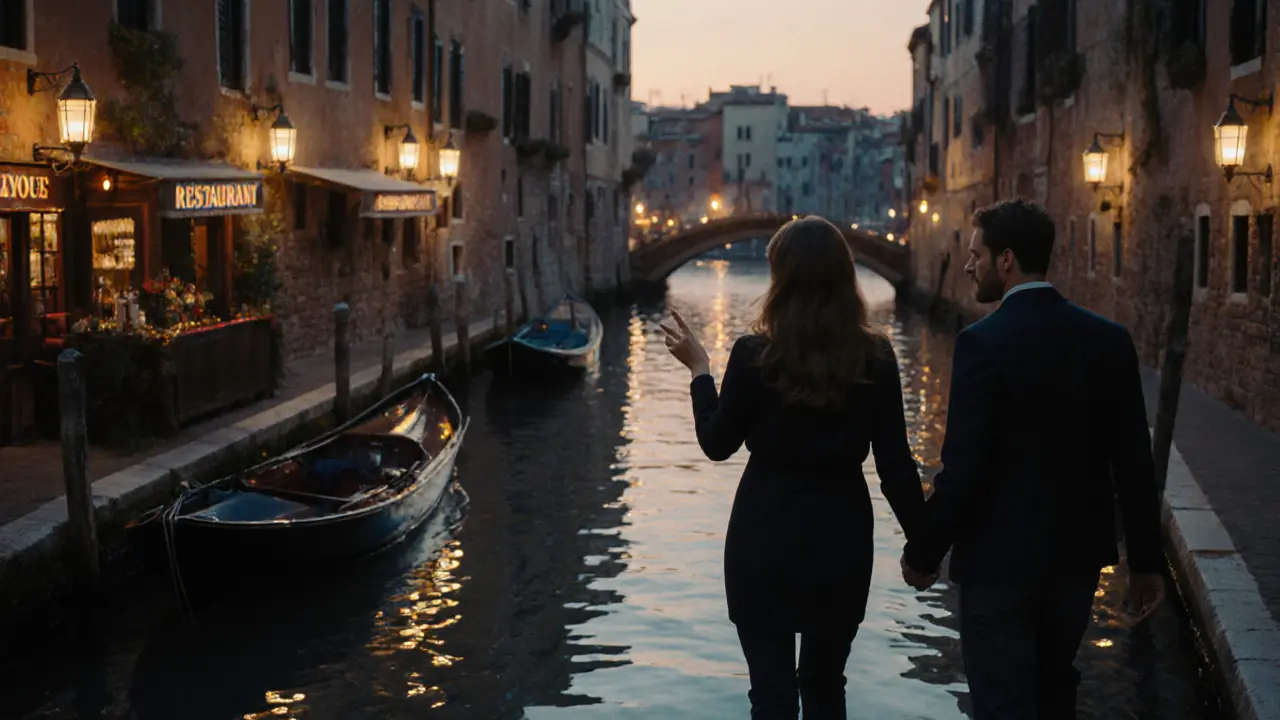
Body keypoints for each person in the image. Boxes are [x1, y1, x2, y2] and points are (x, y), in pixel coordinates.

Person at [899, 198, 1166, 719]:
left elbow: (963, 473)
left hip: (997, 569)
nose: (969, 263)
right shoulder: (1109, 341)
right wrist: (1147, 564)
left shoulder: (981, 344)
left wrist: (924, 553)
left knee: (1001, 703)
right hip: (1074, 563)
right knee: (1053, 695)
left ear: (1007, 260)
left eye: (977, 253)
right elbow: (1133, 460)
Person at [660, 216, 929, 719]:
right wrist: (925, 547)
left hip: (763, 541)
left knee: (772, 694)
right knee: (826, 688)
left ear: (781, 280)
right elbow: (895, 467)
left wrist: (700, 372)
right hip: (840, 544)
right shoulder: (876, 359)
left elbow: (717, 444)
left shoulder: (753, 355)